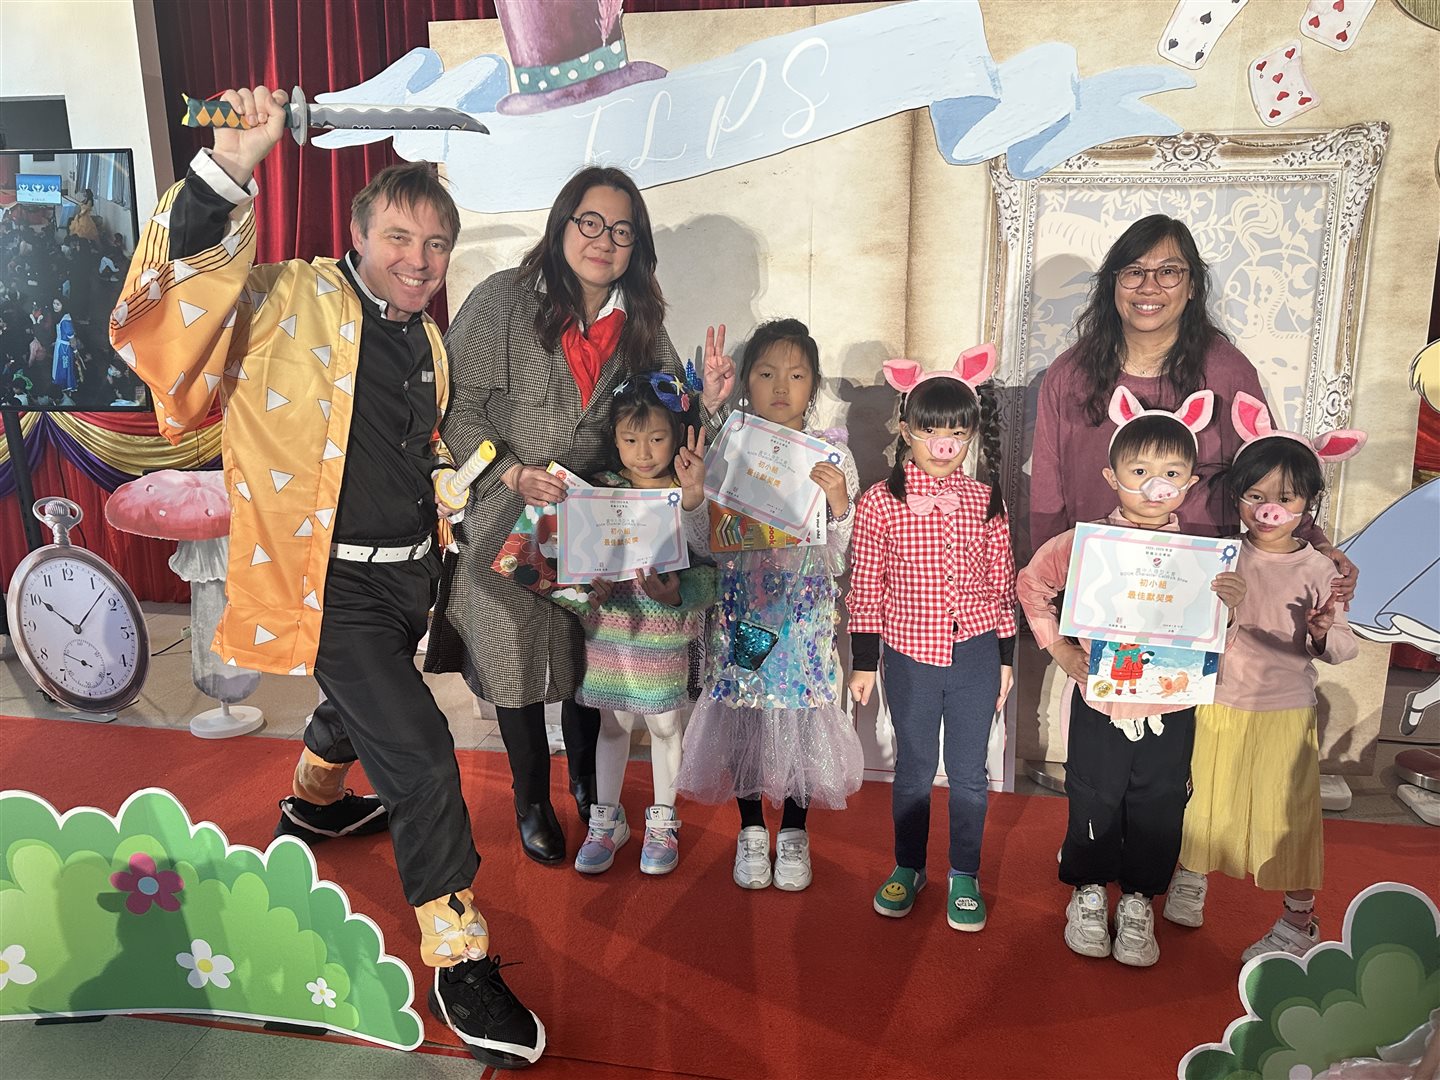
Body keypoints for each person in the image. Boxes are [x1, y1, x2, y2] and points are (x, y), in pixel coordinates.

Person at [110, 85, 544, 1069]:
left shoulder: (425, 338)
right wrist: (231, 168)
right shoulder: (284, 301)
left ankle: (313, 796)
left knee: (364, 704)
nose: (419, 261)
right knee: (422, 753)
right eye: (400, 238)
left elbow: (417, 446)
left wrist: (473, 478)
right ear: (356, 232)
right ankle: (458, 951)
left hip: (409, 578)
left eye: (437, 245)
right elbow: (179, 299)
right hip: (328, 585)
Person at [426, 166, 732, 865]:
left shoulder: (642, 325)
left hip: (601, 519)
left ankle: (592, 795)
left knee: (584, 657)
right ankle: (531, 798)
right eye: (590, 222)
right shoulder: (502, 299)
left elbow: (669, 425)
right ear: (563, 224)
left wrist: (708, 404)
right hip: (508, 514)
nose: (604, 240)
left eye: (622, 231)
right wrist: (510, 472)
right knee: (513, 653)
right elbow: (456, 405)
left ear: (637, 246)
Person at [1017, 387, 1246, 967]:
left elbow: (1217, 638)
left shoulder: (1204, 557)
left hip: (1171, 705)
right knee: (1093, 793)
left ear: (1190, 481)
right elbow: (1032, 584)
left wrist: (1230, 607)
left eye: (1170, 473)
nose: (1154, 485)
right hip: (1102, 699)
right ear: (1112, 476)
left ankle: (1141, 898)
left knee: (1161, 802)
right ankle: (1089, 892)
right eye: (1139, 471)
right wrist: (1060, 649)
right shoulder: (1085, 544)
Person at [1029, 214, 1356, 601]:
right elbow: (1047, 495)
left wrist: (1314, 546)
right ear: (1113, 283)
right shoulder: (1070, 375)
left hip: (1199, 584)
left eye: (1168, 272)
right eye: (1134, 272)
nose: (1149, 286)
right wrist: (1050, 588)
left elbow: (1271, 471)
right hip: (1099, 586)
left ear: (1192, 287)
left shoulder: (1228, 372)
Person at [1166, 393, 1363, 962]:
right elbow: (1194, 633)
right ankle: (1191, 877)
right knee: (1204, 798)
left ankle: (1299, 918)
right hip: (1219, 702)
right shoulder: (1219, 555)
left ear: (1307, 503)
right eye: (1255, 496)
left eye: (1285, 498)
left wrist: (1322, 631)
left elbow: (1343, 648)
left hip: (1286, 709)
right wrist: (1221, 612)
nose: (1268, 509)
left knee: (1287, 815)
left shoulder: (1322, 568)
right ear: (1238, 497)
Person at [674, 318, 864, 892]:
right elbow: (706, 544)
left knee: (802, 718)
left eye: (797, 375)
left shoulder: (833, 457)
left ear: (814, 385)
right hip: (744, 615)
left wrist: (839, 503)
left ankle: (796, 834)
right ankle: (752, 830)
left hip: (803, 622)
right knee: (746, 717)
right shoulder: (729, 448)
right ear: (746, 382)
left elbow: (839, 555)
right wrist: (693, 497)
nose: (781, 386)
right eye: (766, 373)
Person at [846, 346, 1016, 931]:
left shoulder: (986, 500)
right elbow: (866, 585)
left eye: (957, 432)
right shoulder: (879, 502)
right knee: (915, 768)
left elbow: (1001, 583)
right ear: (906, 430)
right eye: (931, 430)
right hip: (909, 655)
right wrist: (863, 661)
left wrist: (1005, 657)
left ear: (970, 436)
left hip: (975, 653)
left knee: (969, 770)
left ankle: (964, 872)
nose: (944, 444)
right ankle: (909, 865)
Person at [566, 373, 716, 876]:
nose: (644, 453)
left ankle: (663, 820)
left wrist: (678, 593)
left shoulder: (683, 494)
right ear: (614, 438)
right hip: (608, 633)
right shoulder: (599, 491)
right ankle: (605, 820)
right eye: (630, 440)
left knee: (665, 724)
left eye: (656, 438)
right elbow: (573, 561)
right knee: (611, 724)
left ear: (676, 435)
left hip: (663, 637)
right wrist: (587, 584)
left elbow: (709, 563)